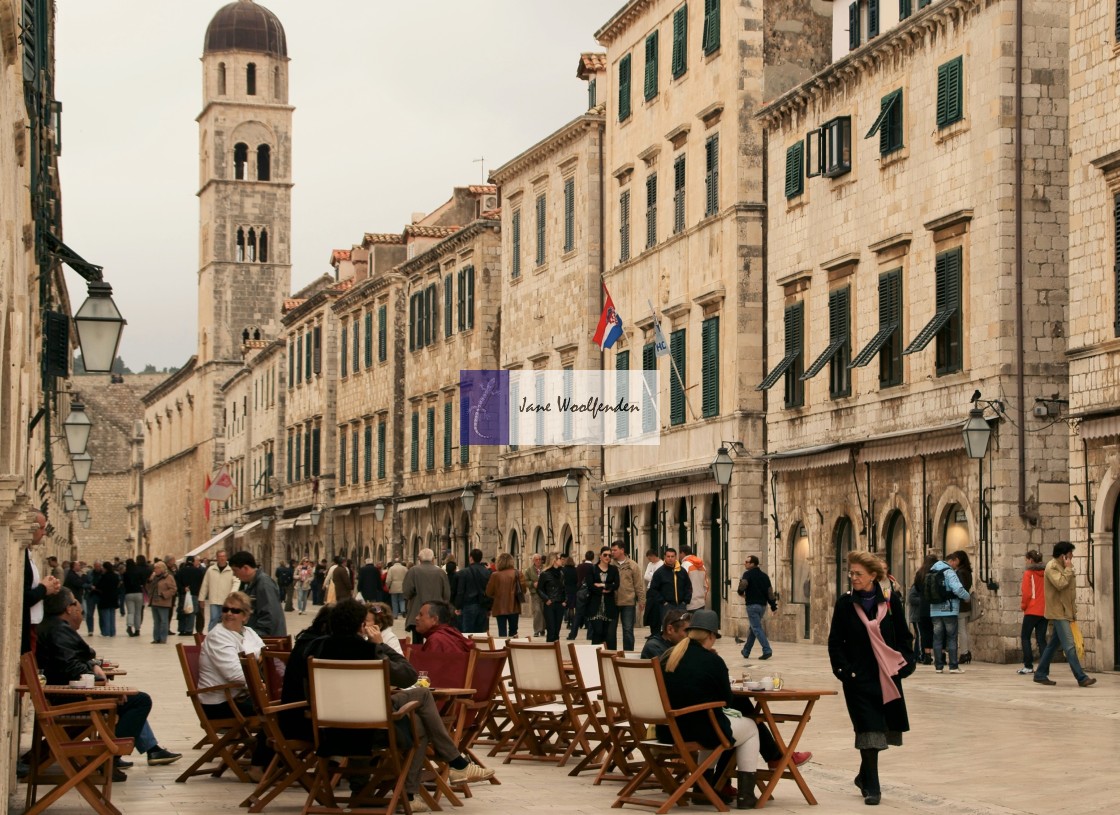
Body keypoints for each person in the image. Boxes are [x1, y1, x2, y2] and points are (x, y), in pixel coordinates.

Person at [280, 599, 493, 811]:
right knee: (420, 719)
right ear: (361, 625)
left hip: (328, 730)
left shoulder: (313, 648)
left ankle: (364, 791)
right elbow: (409, 675)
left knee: (407, 706)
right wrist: (379, 643)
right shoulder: (368, 650)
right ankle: (419, 788)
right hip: (371, 730)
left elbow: (309, 690)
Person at [37, 588, 182, 773]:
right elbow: (73, 669)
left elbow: (72, 660)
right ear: (68, 608)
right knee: (139, 700)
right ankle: (109, 756)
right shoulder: (58, 630)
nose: (80, 609)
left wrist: (94, 665)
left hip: (65, 693)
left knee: (130, 698)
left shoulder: (53, 627)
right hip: (69, 698)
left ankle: (144, 750)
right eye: (76, 604)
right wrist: (100, 681)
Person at [827, 551, 914, 807]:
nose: (853, 578)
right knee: (868, 729)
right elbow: (835, 642)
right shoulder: (845, 604)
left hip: (886, 675)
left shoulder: (889, 602)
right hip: (857, 678)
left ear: (873, 576)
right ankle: (873, 786)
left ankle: (863, 777)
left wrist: (906, 663)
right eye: (851, 573)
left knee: (882, 728)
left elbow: (903, 635)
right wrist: (844, 671)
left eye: (858, 574)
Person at [660, 609, 760, 810]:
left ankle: (701, 788)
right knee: (750, 728)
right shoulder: (713, 661)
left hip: (669, 730)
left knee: (710, 722)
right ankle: (746, 795)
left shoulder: (669, 657)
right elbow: (727, 700)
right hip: (699, 729)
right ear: (712, 636)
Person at [197, 590, 269, 778]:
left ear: (245, 616)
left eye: (235, 611)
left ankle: (274, 763)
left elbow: (266, 656)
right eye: (226, 609)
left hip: (241, 697)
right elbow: (235, 674)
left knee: (281, 707)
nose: (229, 614)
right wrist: (262, 683)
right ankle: (259, 766)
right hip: (221, 703)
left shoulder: (249, 632)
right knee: (274, 714)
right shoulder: (218, 636)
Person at [1034, 542, 1096, 687]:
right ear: (1064, 555)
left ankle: (1040, 674)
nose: (1072, 556)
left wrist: (1072, 612)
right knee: (1069, 645)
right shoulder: (1052, 567)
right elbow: (1061, 584)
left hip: (1064, 612)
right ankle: (1081, 677)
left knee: (1053, 645)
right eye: (1070, 553)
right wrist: (1068, 570)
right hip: (1058, 613)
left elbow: (1069, 592)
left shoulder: (1063, 567)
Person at [927, 554, 969, 674]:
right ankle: (953, 666)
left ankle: (938, 666)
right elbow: (958, 589)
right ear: (951, 561)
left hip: (934, 610)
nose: (956, 565)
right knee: (951, 637)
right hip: (949, 609)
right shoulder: (949, 572)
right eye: (955, 562)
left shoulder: (932, 570)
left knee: (937, 638)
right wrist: (967, 597)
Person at [230, 550, 287, 636]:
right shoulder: (251, 584)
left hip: (268, 640)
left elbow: (270, 615)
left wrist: (254, 635)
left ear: (245, 568)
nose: (234, 575)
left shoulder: (264, 584)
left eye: (235, 570)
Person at [402, 548, 451, 644]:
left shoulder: (413, 571)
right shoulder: (441, 572)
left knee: (417, 643)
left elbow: (407, 592)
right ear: (433, 559)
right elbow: (447, 594)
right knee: (436, 641)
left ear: (419, 559)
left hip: (417, 612)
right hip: (435, 613)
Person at [738, 556, 776, 660]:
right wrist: (773, 606)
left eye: (747, 561)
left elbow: (743, 585)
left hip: (752, 605)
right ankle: (746, 651)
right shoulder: (764, 576)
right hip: (762, 606)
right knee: (753, 628)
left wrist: (740, 592)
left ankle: (767, 650)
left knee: (756, 628)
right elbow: (770, 592)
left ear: (753, 564)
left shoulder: (747, 574)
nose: (745, 563)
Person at [610, 541, 646, 651]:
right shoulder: (611, 565)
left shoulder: (632, 565)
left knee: (628, 630)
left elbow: (638, 584)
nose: (612, 552)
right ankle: (611, 653)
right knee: (611, 630)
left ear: (622, 550)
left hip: (628, 602)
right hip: (612, 601)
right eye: (612, 550)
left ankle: (628, 652)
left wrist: (641, 600)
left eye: (615, 550)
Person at [1018, 550, 1047, 675]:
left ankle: (1028, 665)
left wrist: (1024, 606)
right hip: (1044, 610)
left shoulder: (1028, 573)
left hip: (1032, 609)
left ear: (1030, 560)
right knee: (1041, 639)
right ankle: (1044, 666)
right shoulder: (1046, 573)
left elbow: (1027, 593)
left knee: (1025, 637)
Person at [584, 549, 620, 645]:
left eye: (609, 555)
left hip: (609, 605)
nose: (607, 557)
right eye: (605, 555)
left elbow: (616, 585)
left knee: (605, 633)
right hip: (595, 605)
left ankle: (603, 656)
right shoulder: (592, 569)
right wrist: (604, 590)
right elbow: (590, 585)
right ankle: (595, 654)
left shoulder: (613, 569)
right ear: (600, 556)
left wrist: (603, 585)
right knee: (597, 631)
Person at [453, 548, 492, 634]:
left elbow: (460, 591)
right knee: (481, 633)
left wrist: (458, 606)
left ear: (471, 558)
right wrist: (489, 608)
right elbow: (490, 591)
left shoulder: (464, 572)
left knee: (467, 633)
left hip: (468, 605)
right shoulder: (487, 572)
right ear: (480, 558)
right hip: (483, 605)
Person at [198, 550, 241, 630]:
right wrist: (201, 599)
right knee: (213, 619)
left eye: (223, 556)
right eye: (220, 556)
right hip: (214, 600)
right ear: (217, 558)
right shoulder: (211, 570)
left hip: (226, 600)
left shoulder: (231, 570)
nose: (222, 558)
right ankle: (211, 636)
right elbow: (205, 584)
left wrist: (232, 594)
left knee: (226, 620)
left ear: (226, 557)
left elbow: (236, 582)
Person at [486, 552, 525, 637]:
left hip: (499, 607)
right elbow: (523, 590)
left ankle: (503, 648)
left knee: (502, 631)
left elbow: (488, 592)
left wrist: (497, 595)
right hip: (514, 606)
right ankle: (512, 648)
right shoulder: (517, 573)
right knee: (513, 631)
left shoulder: (495, 575)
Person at [946, 550, 974, 664]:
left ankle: (964, 653)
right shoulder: (967, 571)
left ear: (959, 560)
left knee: (962, 630)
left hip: (961, 605)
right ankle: (966, 652)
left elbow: (960, 588)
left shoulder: (960, 572)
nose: (954, 561)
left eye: (956, 559)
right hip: (966, 604)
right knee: (964, 630)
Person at [648, 547, 691, 615]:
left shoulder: (682, 571)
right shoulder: (659, 572)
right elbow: (653, 589)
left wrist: (685, 601)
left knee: (681, 625)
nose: (670, 558)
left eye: (672, 556)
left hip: (681, 606)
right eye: (668, 556)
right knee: (667, 625)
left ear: (675, 557)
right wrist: (663, 602)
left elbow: (688, 586)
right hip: (666, 607)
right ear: (664, 557)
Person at [537, 552, 568, 642]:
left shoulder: (562, 573)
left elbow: (564, 588)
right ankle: (550, 650)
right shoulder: (545, 574)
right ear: (554, 560)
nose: (561, 560)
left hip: (560, 604)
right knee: (551, 629)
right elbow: (539, 589)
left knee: (557, 631)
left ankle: (556, 650)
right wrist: (546, 599)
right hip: (550, 604)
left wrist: (565, 600)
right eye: (559, 558)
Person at [146, 560, 178, 643]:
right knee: (156, 622)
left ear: (162, 569)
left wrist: (164, 594)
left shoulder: (169, 577)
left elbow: (173, 589)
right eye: (155, 568)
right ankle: (156, 638)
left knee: (164, 621)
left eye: (157, 568)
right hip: (154, 602)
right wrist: (150, 580)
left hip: (164, 602)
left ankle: (163, 638)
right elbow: (148, 588)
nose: (155, 570)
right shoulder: (154, 578)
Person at [568, 550, 596, 641]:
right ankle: (590, 635)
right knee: (592, 615)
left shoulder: (579, 566)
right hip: (590, 593)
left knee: (578, 614)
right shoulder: (594, 567)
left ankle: (572, 634)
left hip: (580, 592)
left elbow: (576, 579)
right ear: (593, 558)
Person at [175, 555, 205, 636]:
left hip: (183, 594)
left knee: (182, 611)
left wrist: (183, 588)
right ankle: (189, 630)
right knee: (191, 612)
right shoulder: (198, 572)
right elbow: (201, 583)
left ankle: (181, 629)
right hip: (194, 594)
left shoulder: (181, 571)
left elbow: (176, 583)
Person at [95, 560, 120, 637]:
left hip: (105, 597)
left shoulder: (104, 576)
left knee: (105, 616)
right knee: (112, 616)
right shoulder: (116, 576)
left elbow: (99, 586)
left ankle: (106, 632)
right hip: (113, 597)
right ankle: (112, 632)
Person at [523, 553, 545, 637]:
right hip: (535, 593)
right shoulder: (529, 570)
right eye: (536, 559)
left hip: (544, 593)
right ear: (533, 561)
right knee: (537, 611)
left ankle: (543, 629)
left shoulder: (545, 569)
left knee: (543, 611)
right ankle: (537, 630)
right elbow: (525, 581)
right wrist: (532, 584)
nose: (538, 561)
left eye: (539, 559)